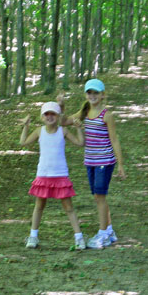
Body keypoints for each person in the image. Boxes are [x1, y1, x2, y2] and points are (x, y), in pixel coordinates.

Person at [61, 79, 126, 249]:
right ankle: (109, 230)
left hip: (105, 161)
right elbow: (63, 121)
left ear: (103, 95)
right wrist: (61, 107)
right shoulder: (84, 112)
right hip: (90, 161)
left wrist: (120, 164)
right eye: (89, 92)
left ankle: (103, 234)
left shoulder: (107, 115)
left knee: (100, 196)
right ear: (85, 95)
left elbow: (114, 140)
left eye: (96, 93)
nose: (92, 96)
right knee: (98, 196)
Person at [20, 101, 85, 250]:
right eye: (46, 114)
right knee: (39, 206)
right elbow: (23, 142)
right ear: (42, 117)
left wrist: (78, 128)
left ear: (58, 116)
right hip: (43, 174)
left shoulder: (63, 131)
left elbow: (80, 143)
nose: (50, 117)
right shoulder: (39, 131)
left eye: (53, 114)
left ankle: (79, 238)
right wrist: (26, 125)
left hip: (60, 174)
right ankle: (33, 236)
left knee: (68, 207)